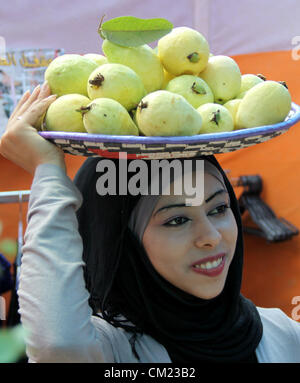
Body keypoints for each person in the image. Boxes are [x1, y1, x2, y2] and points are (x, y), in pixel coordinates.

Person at [0, 82, 300, 363]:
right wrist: (47, 173)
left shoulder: (283, 335)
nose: (210, 237)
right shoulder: (115, 350)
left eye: (219, 208)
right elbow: (59, 346)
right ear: (124, 239)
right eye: (177, 220)